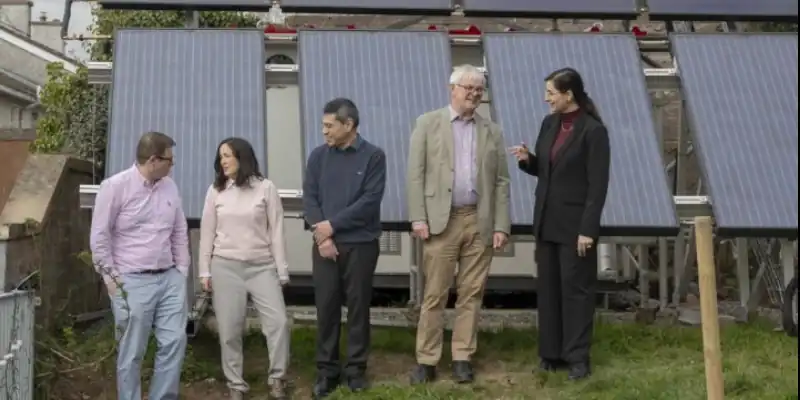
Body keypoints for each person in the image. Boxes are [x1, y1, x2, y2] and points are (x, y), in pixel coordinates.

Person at [407, 64, 511, 384]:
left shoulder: (492, 131)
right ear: (452, 89)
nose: (474, 94)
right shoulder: (428, 123)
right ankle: (427, 359)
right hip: (442, 221)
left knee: (472, 293)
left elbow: (501, 181)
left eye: (479, 89)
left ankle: (462, 356)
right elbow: (415, 174)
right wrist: (418, 217)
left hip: (479, 220)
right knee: (435, 294)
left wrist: (501, 225)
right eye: (468, 88)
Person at [509, 67, 611, 380]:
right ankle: (550, 354)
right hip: (546, 223)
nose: (546, 98)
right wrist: (528, 160)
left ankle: (577, 357)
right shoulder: (549, 123)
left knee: (576, 292)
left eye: (551, 93)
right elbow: (547, 170)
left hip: (575, 228)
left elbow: (597, 186)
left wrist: (588, 230)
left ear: (569, 95)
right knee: (549, 290)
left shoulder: (593, 131)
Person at [90, 131, 190, 400]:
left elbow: (179, 230)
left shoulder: (170, 186)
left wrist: (181, 271)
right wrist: (112, 281)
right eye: (170, 160)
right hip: (131, 281)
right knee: (131, 351)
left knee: (174, 342)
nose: (173, 164)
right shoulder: (115, 187)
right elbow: (99, 237)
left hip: (169, 279)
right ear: (154, 160)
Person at [302, 98, 387, 399]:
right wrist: (323, 236)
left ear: (348, 124)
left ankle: (355, 370)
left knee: (358, 308)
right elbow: (310, 198)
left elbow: (370, 201)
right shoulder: (318, 157)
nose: (324, 131)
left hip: (361, 244)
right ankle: (327, 371)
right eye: (323, 125)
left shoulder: (373, 156)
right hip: (324, 245)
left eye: (329, 125)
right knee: (326, 307)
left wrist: (332, 225)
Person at [198, 137, 291, 400]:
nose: (223, 161)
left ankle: (277, 378)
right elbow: (207, 233)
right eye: (221, 157)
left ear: (242, 157)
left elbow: (276, 231)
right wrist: (204, 271)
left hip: (262, 266)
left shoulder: (266, 188)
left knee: (279, 323)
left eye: (227, 155)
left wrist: (282, 270)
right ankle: (235, 385)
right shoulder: (216, 191)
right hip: (225, 267)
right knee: (229, 329)